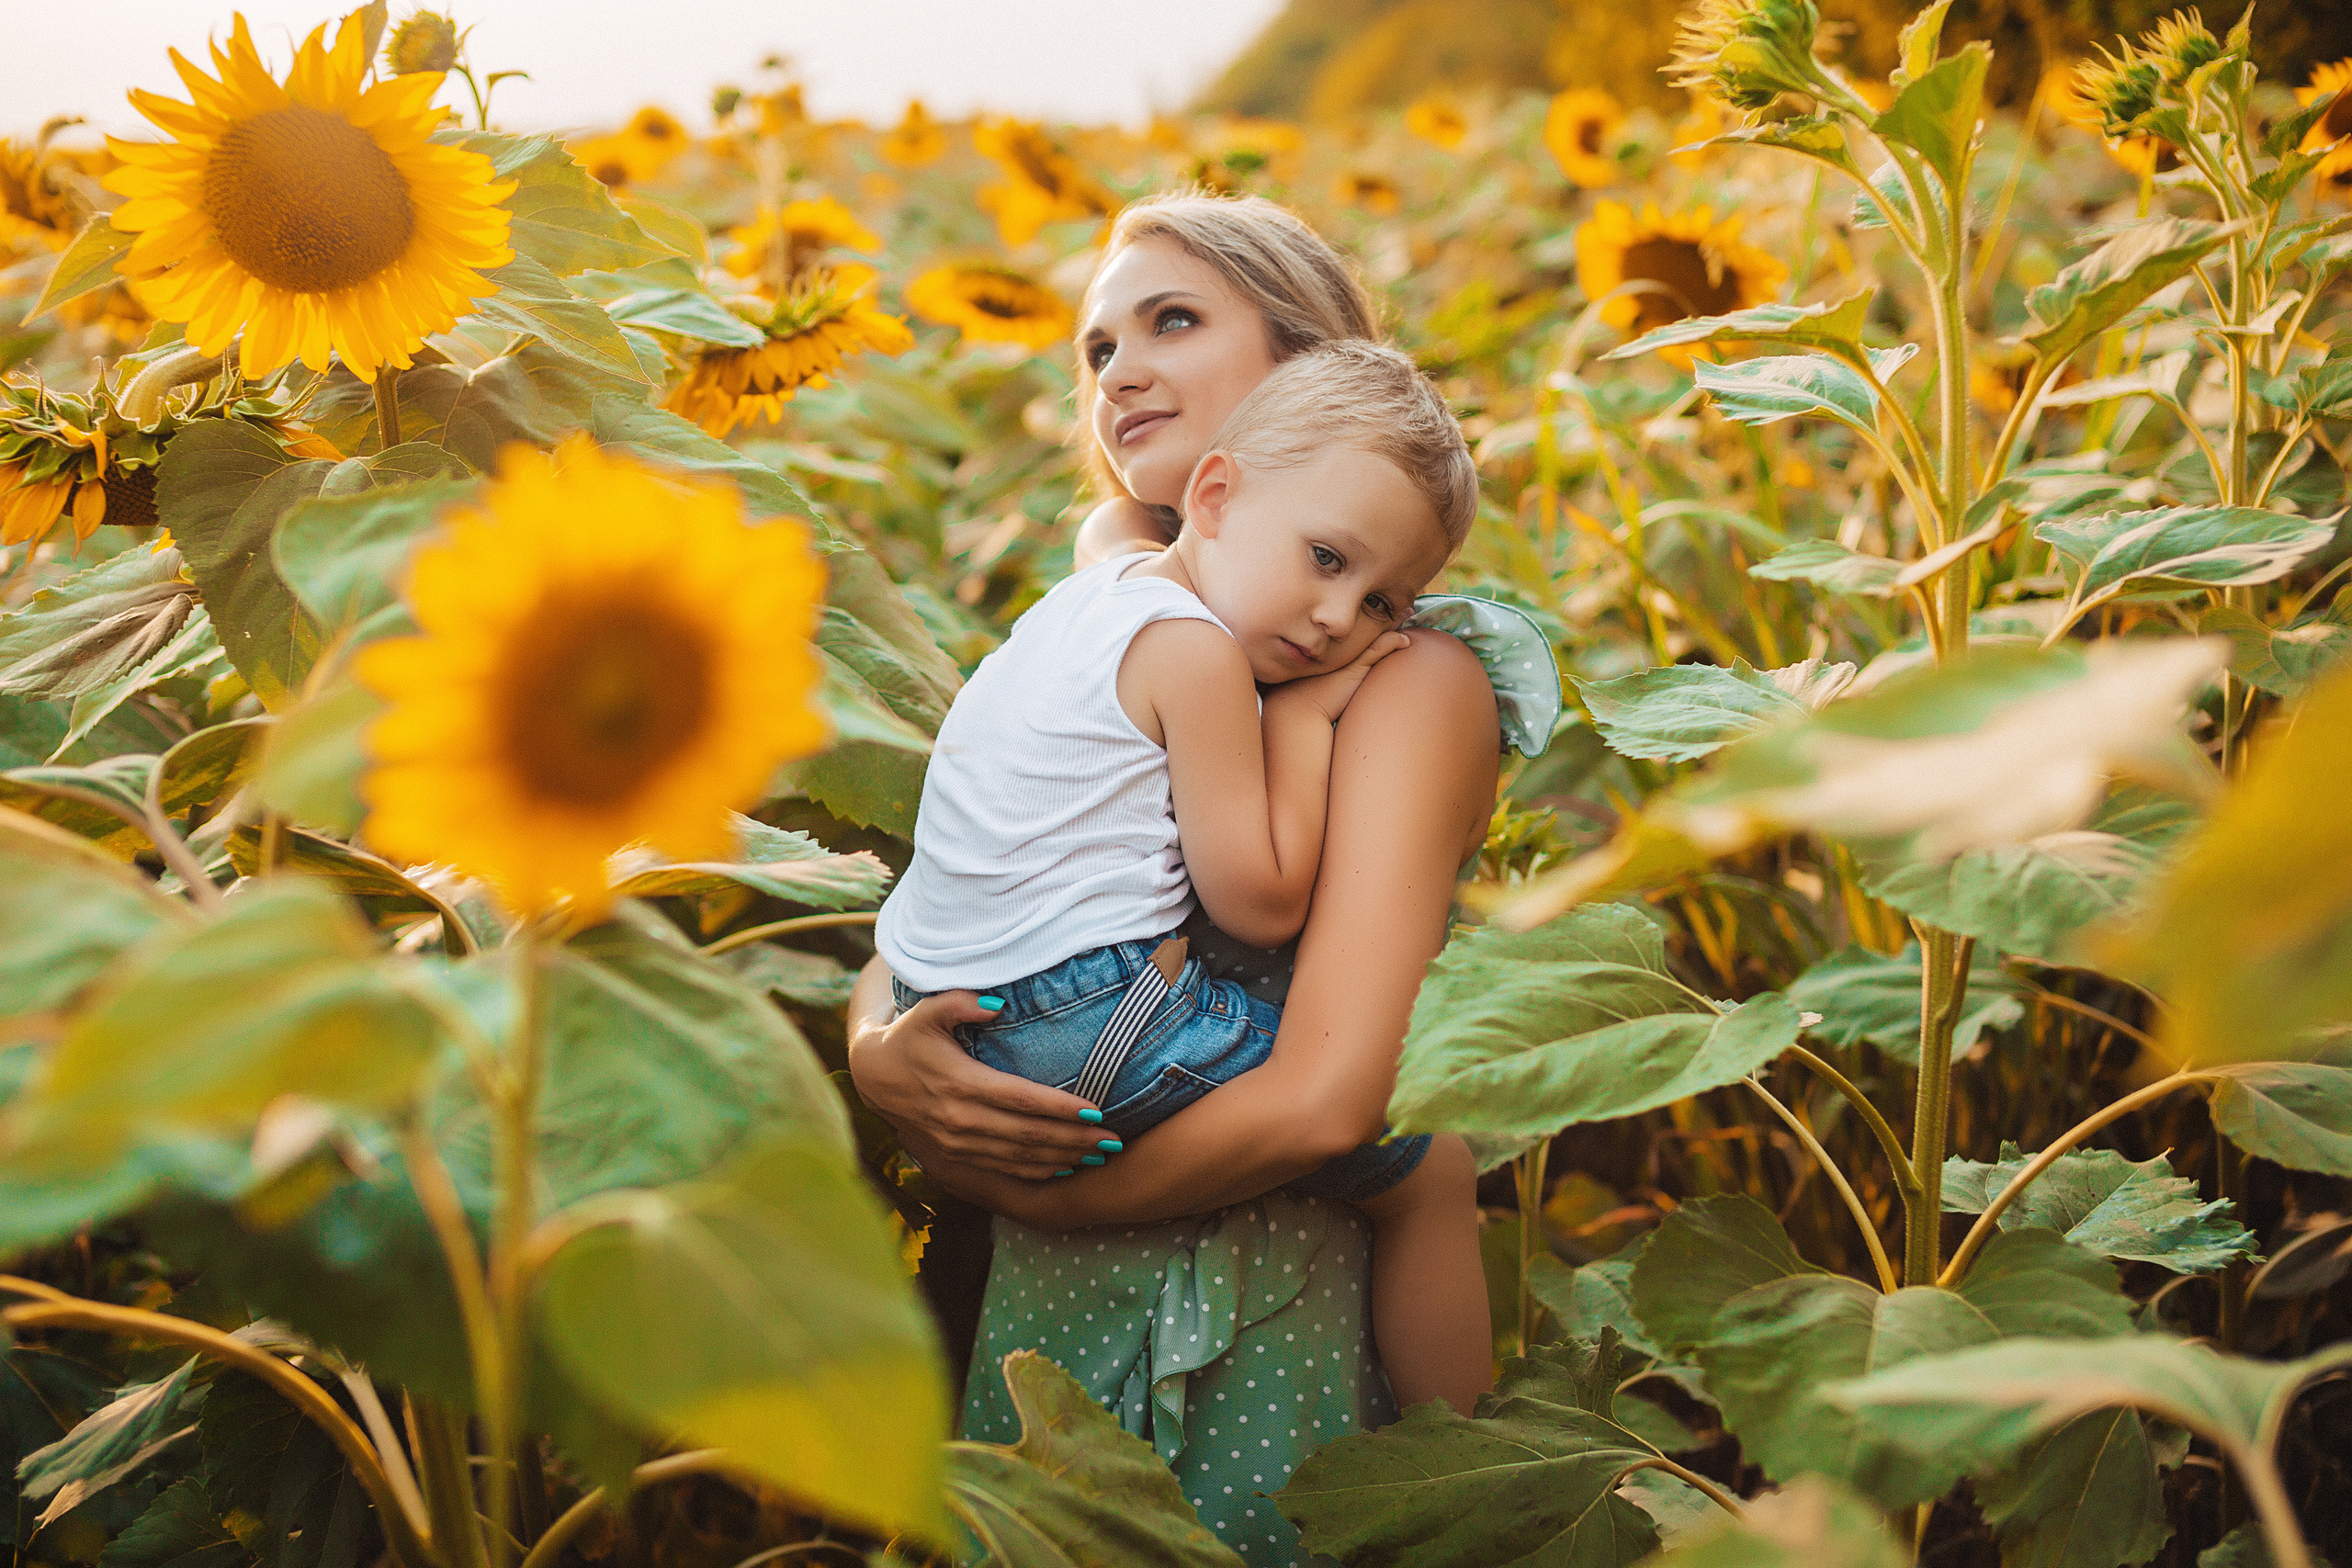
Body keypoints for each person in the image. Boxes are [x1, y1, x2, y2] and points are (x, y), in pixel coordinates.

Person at [847, 191, 1558, 1564]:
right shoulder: (1148, 622)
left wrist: (1049, 1190)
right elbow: (989, 874)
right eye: (1098, 347)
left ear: (1313, 366)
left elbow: (1334, 1092)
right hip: (1054, 1303)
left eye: (1173, 319)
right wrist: (881, 1040)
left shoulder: (1396, 675)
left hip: (1242, 1296)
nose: (1120, 372)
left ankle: (1467, 1493)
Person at [875, 340, 1489, 1416]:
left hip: (947, 995)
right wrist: (1300, 724)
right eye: (1329, 561)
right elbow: (1259, 896)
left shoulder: (1096, 594)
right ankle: (1469, 1476)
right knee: (1431, 1173)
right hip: (1082, 1018)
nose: (1343, 621)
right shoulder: (1198, 655)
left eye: (1389, 603)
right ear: (1214, 493)